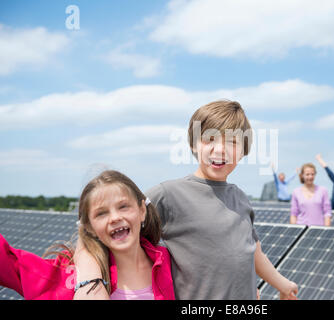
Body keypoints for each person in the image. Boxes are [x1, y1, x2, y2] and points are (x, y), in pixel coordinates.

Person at [74, 100, 298, 300]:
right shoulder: (169, 194)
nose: (220, 149)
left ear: (243, 151)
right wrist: (90, 281)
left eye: (232, 142)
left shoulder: (240, 198)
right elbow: (103, 227)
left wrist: (283, 285)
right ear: (193, 144)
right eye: (209, 139)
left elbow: (254, 253)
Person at [0, 170, 175, 300]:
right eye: (101, 213)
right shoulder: (69, 275)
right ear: (89, 227)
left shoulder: (170, 262)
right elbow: (7, 262)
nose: (115, 218)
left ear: (142, 211)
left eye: (123, 206)